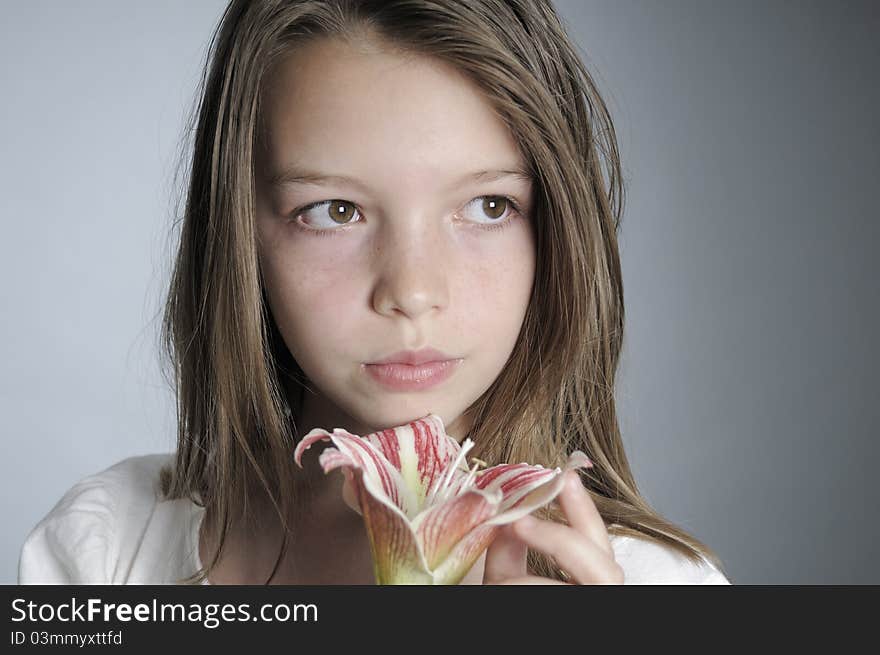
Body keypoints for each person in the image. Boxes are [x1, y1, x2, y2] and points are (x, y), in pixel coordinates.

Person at [19, 0, 731, 585]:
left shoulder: (653, 582)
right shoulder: (106, 551)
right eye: (334, 211)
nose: (413, 292)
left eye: (487, 206)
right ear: (242, 238)